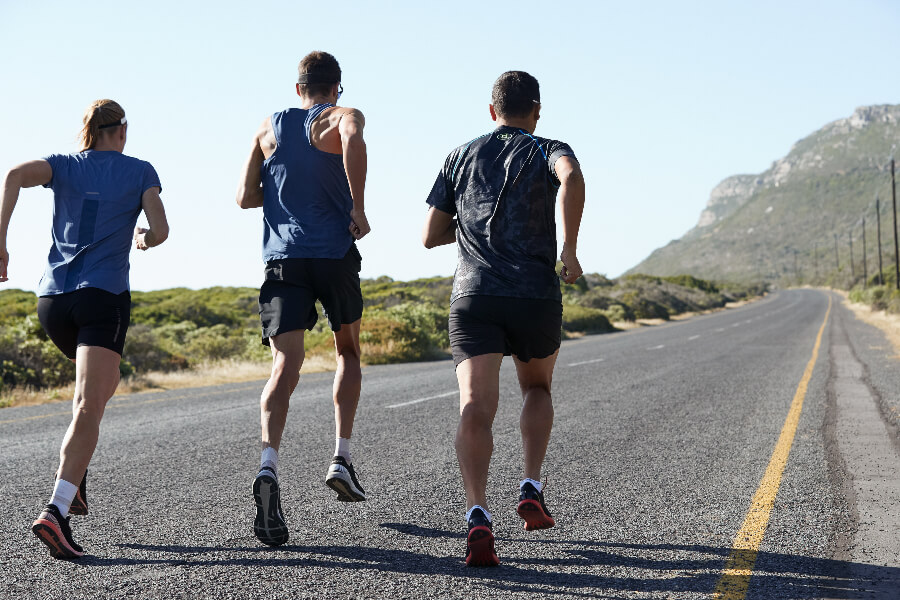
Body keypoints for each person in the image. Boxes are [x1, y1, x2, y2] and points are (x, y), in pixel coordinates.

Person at [421, 71, 585, 567]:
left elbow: (430, 234)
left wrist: (472, 230)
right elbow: (572, 176)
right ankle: (531, 485)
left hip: (475, 296)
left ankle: (476, 513)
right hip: (534, 295)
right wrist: (570, 248)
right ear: (536, 110)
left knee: (475, 404)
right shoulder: (547, 148)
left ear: (492, 111)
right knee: (537, 389)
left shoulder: (460, 155)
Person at [0, 99, 169, 559]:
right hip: (102, 298)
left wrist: (1, 243)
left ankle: (75, 484)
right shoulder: (139, 171)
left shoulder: (62, 166)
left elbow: (13, 174)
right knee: (88, 405)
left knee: (96, 392)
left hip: (52, 302)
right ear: (123, 130)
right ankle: (56, 511)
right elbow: (162, 229)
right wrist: (143, 238)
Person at [236, 50, 371, 547]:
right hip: (333, 253)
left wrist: (282, 188)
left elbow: (244, 196)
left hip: (282, 260)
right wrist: (356, 205)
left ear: (298, 89)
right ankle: (341, 457)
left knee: (284, 366)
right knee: (348, 351)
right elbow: (353, 138)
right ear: (336, 87)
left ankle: (268, 466)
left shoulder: (267, 128)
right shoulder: (343, 116)